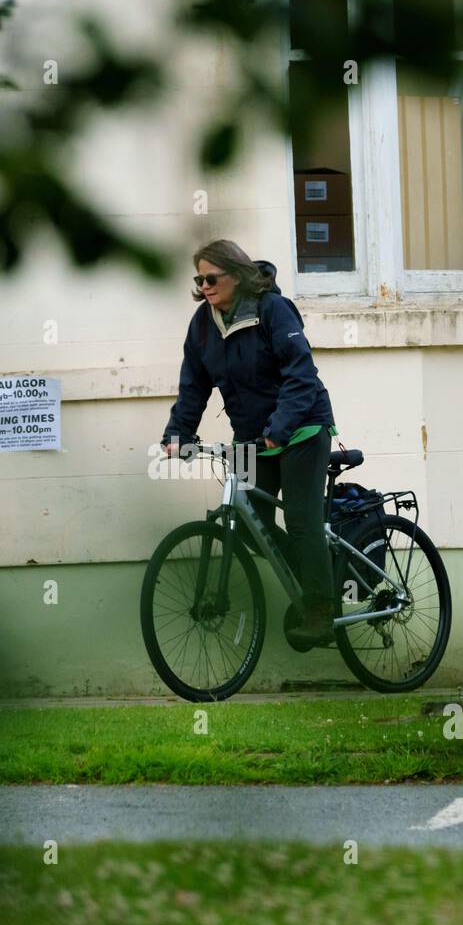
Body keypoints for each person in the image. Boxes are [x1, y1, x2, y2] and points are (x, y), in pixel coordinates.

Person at [159, 239, 339, 647]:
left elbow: (301, 375)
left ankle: (321, 608)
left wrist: (280, 427)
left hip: (303, 430)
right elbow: (194, 386)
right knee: (248, 526)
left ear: (237, 275)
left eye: (212, 277)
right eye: (198, 279)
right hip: (252, 439)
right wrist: (177, 435)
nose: (204, 285)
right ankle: (312, 582)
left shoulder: (273, 310)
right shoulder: (203, 325)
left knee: (300, 519)